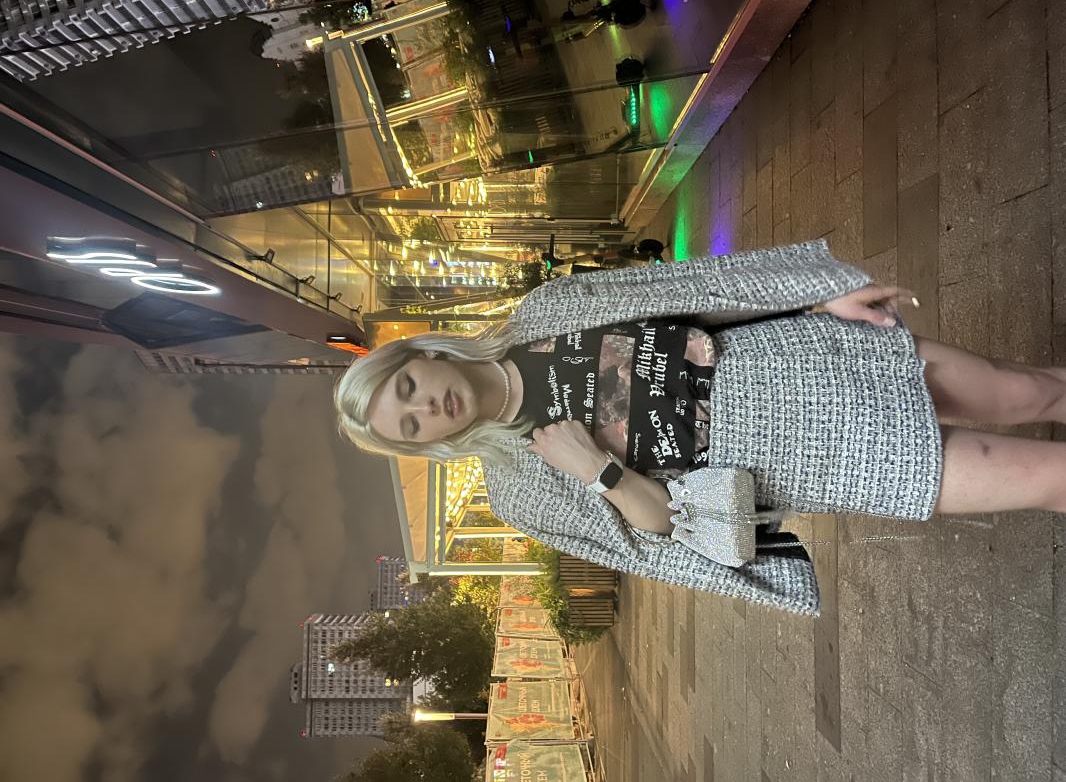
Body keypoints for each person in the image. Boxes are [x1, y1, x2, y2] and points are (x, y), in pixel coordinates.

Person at [335, 239, 1066, 615]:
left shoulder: (545, 313)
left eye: (408, 389)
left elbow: (694, 295)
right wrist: (599, 472)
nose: (426, 409)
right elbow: (660, 534)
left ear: (423, 355)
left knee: (1029, 390)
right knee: (1046, 479)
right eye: (410, 426)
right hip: (816, 459)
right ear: (425, 445)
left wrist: (817, 300)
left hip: (805, 357)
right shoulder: (519, 490)